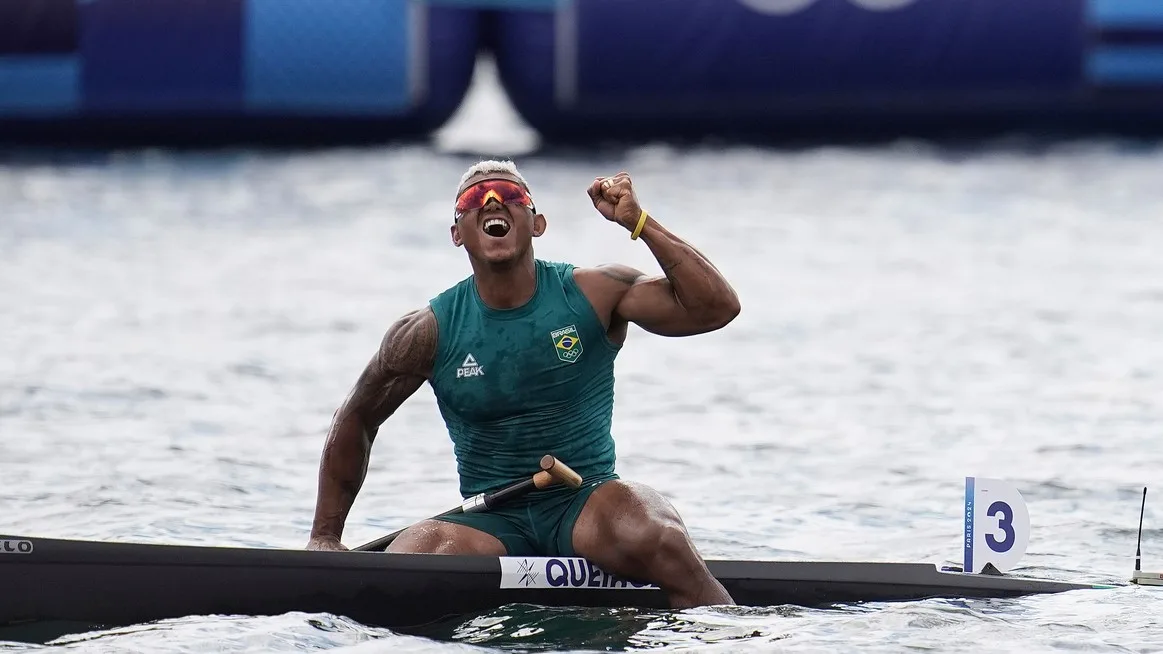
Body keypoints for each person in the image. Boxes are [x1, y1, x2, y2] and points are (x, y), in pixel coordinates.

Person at [306, 160, 741, 608]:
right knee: (411, 559)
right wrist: (324, 537)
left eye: (508, 196)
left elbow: (716, 308)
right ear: (457, 234)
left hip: (585, 503)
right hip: (490, 522)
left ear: (537, 224)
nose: (492, 201)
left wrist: (639, 223)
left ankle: (725, 630)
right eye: (475, 200)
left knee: (657, 536)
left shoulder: (595, 292)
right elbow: (357, 417)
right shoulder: (427, 332)